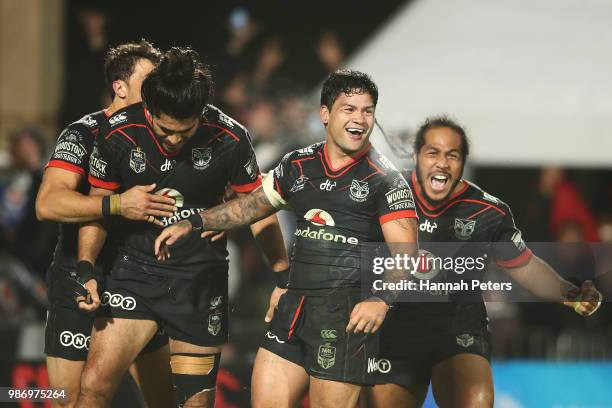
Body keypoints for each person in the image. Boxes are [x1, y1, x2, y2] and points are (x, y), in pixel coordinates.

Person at [154, 69, 420, 408]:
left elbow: (407, 254)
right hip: (293, 310)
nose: (359, 119)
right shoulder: (298, 165)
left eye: (367, 111)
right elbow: (251, 207)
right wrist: (195, 221)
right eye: (349, 109)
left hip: (345, 318)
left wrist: (381, 299)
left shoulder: (387, 181)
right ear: (325, 114)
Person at [74, 46, 289, 408]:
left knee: (194, 403)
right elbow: (96, 208)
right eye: (164, 130)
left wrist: (283, 278)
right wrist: (86, 267)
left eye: (184, 132)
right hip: (134, 275)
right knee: (94, 385)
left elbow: (260, 209)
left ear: (201, 116)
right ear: (148, 109)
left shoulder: (230, 138)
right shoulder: (117, 135)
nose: (173, 140)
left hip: (198, 283)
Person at [361, 116, 602, 408]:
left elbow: (525, 266)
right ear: (415, 156)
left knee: (477, 402)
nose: (442, 163)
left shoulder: (489, 212)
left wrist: (568, 292)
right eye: (433, 153)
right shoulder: (385, 197)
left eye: (452, 155)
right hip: (396, 326)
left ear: (463, 162)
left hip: (458, 329)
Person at [36, 40, 177, 408]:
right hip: (79, 278)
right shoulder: (83, 133)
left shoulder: (162, 136)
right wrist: (117, 204)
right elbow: (47, 203)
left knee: (163, 400)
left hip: (140, 279)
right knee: (70, 400)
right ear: (120, 86)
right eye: (148, 80)